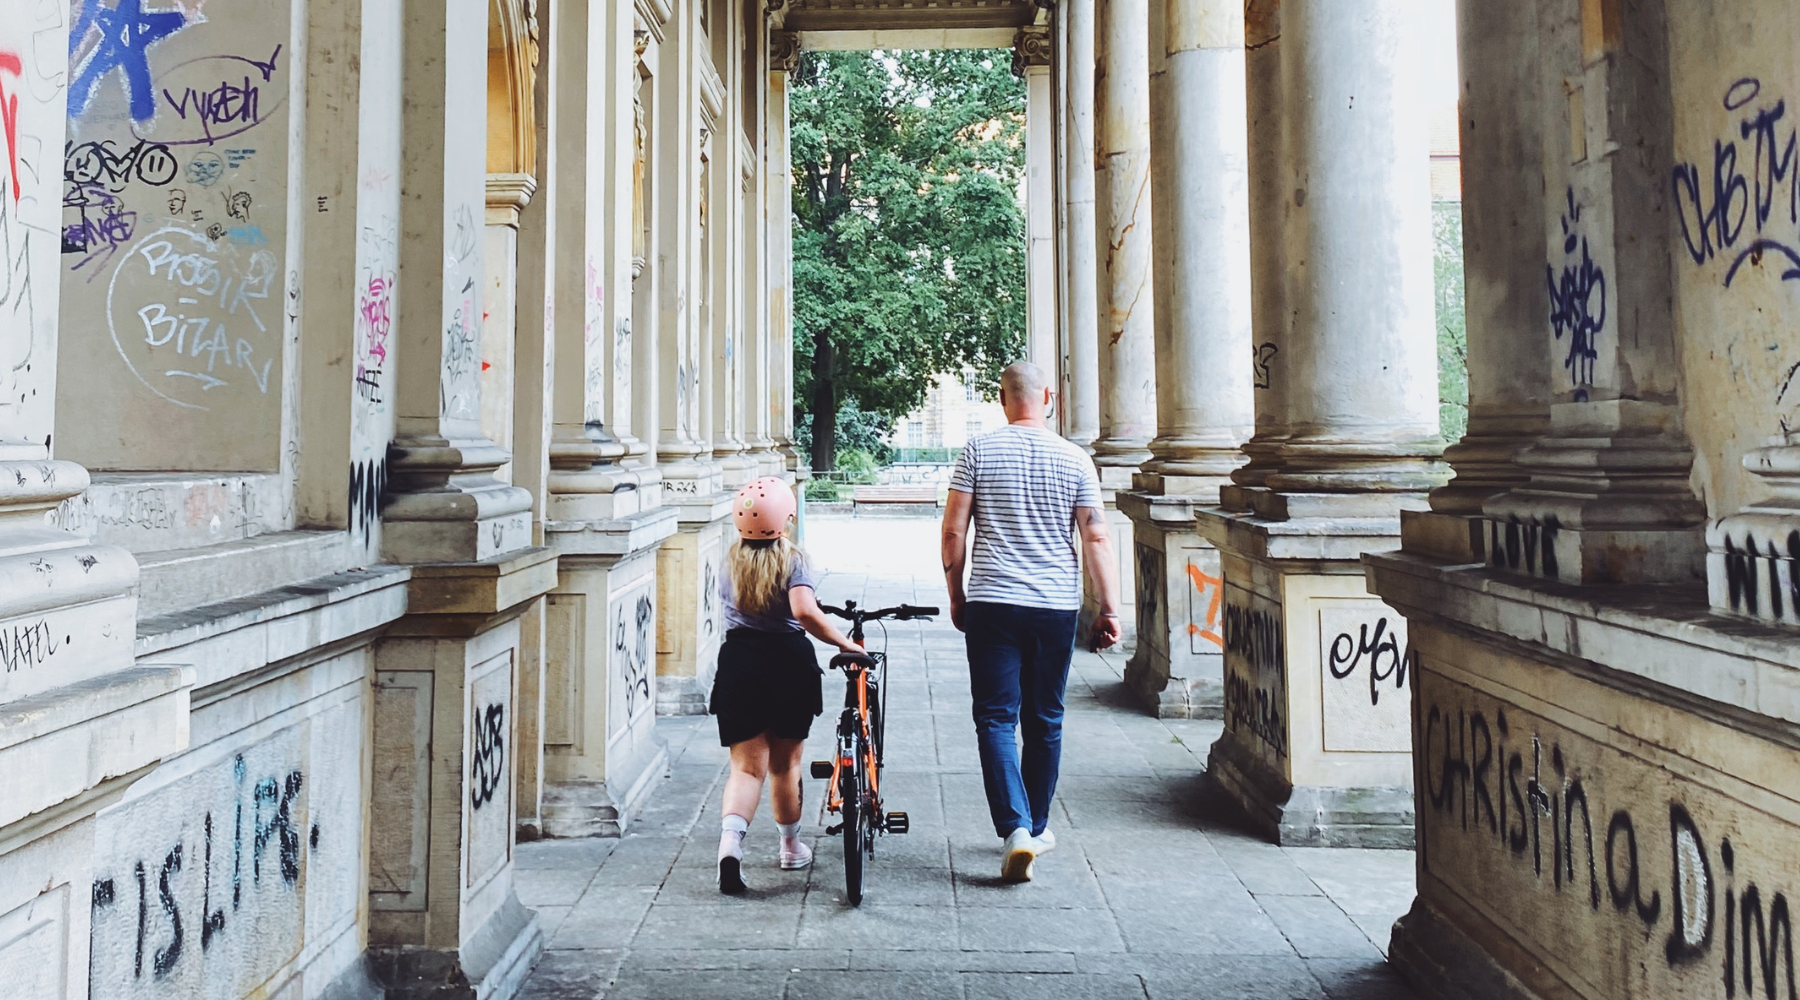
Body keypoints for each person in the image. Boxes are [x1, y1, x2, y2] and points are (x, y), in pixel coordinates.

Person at [940, 361, 1121, 882]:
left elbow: (954, 532)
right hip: (1054, 607)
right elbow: (1096, 537)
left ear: (1002, 399)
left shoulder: (977, 451)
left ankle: (1015, 828)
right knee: (1045, 718)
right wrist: (1109, 609)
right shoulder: (1075, 459)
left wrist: (957, 594)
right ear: (1050, 398)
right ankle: (1037, 827)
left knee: (995, 717)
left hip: (993, 602)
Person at [710, 476, 864, 895]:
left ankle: (730, 846)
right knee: (784, 766)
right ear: (787, 519)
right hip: (788, 664)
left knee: (745, 769)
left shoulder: (729, 561)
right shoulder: (794, 559)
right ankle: (791, 847)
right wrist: (844, 642)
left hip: (739, 662)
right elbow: (804, 611)